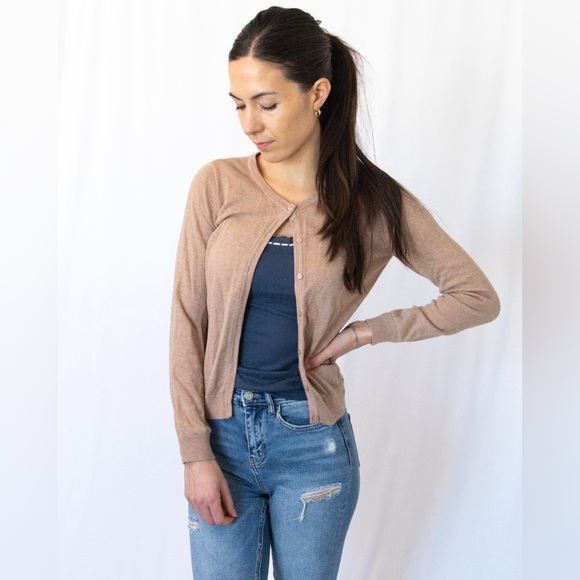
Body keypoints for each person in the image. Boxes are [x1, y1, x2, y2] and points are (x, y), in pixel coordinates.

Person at [169, 6, 500, 579]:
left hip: (313, 447)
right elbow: (186, 321)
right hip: (221, 439)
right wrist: (194, 452)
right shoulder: (217, 185)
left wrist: (366, 333)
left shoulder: (375, 203)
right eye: (239, 104)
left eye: (267, 103)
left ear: (317, 93)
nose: (250, 123)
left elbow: (475, 296)